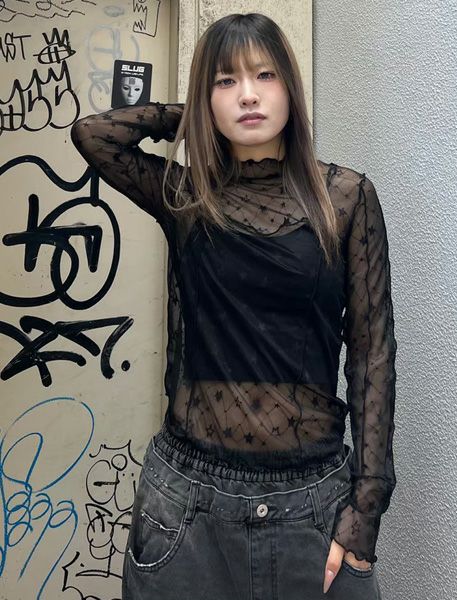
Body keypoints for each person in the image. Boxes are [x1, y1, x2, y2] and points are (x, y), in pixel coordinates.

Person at [71, 12, 397, 600]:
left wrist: (365, 511)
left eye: (265, 75)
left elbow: (372, 357)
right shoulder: (186, 196)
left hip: (312, 505)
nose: (248, 94)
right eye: (226, 80)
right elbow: (93, 135)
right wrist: (193, 113)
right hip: (187, 510)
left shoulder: (346, 199)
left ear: (290, 88)